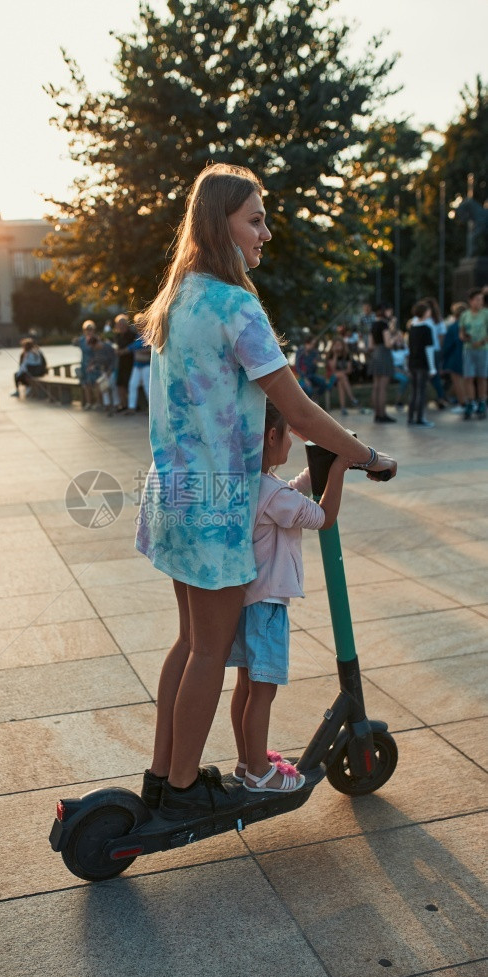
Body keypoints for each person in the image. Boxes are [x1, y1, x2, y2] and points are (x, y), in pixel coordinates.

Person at [134, 162, 396, 821]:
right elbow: (299, 411)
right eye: (254, 219)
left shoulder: (178, 298)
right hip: (219, 501)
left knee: (189, 643)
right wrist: (364, 455)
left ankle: (165, 776)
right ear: (219, 223)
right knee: (211, 650)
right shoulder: (233, 303)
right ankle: (188, 790)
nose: (265, 232)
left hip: (174, 494)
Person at [228, 400, 348, 792]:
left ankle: (247, 762)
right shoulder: (273, 494)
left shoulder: (250, 481)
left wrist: (319, 470)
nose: (293, 444)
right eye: (288, 436)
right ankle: (261, 773)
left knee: (246, 686)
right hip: (267, 605)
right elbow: (323, 516)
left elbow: (291, 490)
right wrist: (341, 468)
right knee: (263, 691)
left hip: (245, 601)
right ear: (272, 435)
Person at [459, 287, 488, 420]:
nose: (480, 302)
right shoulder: (465, 315)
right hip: (469, 349)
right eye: (477, 300)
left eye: (481, 300)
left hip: (483, 349)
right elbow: (461, 331)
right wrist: (464, 337)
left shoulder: (486, 313)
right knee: (468, 377)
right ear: (471, 301)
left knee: (482, 377)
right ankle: (470, 402)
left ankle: (482, 401)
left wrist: (482, 342)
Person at [407, 301, 435, 427]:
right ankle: (420, 418)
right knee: (421, 391)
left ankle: (410, 417)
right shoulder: (427, 328)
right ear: (424, 312)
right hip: (422, 364)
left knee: (414, 391)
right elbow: (429, 349)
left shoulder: (412, 327)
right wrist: (432, 367)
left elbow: (409, 346)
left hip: (412, 363)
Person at [368, 305, 396, 423]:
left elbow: (370, 345)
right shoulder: (384, 324)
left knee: (376, 386)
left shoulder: (373, 325)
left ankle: (376, 414)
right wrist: (395, 338)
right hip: (384, 355)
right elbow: (388, 343)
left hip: (375, 355)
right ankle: (382, 414)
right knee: (383, 388)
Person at [439, 303, 467, 414]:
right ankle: (469, 402)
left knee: (457, 381)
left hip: (455, 357)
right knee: (466, 381)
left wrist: (443, 357)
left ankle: (462, 403)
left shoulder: (453, 327)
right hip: (467, 355)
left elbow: (448, 345)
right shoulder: (467, 326)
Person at [123, 312, 151, 415]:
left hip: (146, 364)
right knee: (132, 385)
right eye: (137, 323)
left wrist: (140, 351)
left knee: (148, 387)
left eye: (140, 323)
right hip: (137, 365)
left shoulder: (149, 334)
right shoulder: (138, 335)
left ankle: (151, 408)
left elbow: (152, 349)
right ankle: (131, 407)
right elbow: (132, 347)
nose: (138, 325)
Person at [425, 297, 450, 409]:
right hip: (434, 350)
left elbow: (441, 338)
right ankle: (440, 397)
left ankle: (440, 397)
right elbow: (441, 338)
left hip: (432, 351)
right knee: (431, 376)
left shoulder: (436, 320)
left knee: (432, 375)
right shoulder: (437, 320)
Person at [325, 337, 358, 414]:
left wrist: (340, 373)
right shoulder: (330, 355)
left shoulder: (347, 356)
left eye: (339, 345)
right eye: (336, 345)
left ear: (343, 346)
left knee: (340, 382)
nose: (338, 347)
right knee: (342, 376)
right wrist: (335, 355)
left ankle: (343, 408)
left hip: (342, 379)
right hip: (332, 379)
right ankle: (352, 399)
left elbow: (349, 370)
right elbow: (332, 369)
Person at [113, 313, 136, 411]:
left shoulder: (132, 335)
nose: (120, 326)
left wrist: (123, 351)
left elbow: (133, 348)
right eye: (118, 324)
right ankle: (123, 404)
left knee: (128, 384)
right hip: (121, 363)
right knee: (119, 384)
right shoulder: (118, 336)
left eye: (121, 324)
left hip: (130, 363)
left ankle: (132, 405)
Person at [73, 320, 96, 410]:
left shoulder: (95, 339)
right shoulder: (82, 339)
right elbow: (74, 343)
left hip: (93, 364)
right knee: (85, 384)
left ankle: (97, 403)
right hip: (84, 364)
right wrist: (75, 340)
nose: (89, 331)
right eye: (87, 329)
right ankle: (89, 403)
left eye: (90, 329)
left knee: (93, 384)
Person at [295, 336, 326, 401]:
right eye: (311, 344)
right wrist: (305, 378)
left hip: (311, 375)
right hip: (302, 377)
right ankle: (308, 403)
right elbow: (298, 367)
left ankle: (315, 398)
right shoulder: (300, 352)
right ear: (306, 343)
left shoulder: (314, 353)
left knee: (323, 382)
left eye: (314, 345)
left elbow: (314, 370)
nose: (312, 346)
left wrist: (315, 364)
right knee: (308, 389)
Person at [390, 329, 409, 409]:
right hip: (394, 370)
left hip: (403, 368)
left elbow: (407, 360)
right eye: (397, 337)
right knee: (404, 380)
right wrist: (403, 372)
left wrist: (406, 370)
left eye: (400, 337)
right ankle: (397, 401)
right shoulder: (391, 349)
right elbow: (392, 365)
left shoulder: (405, 347)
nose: (399, 338)